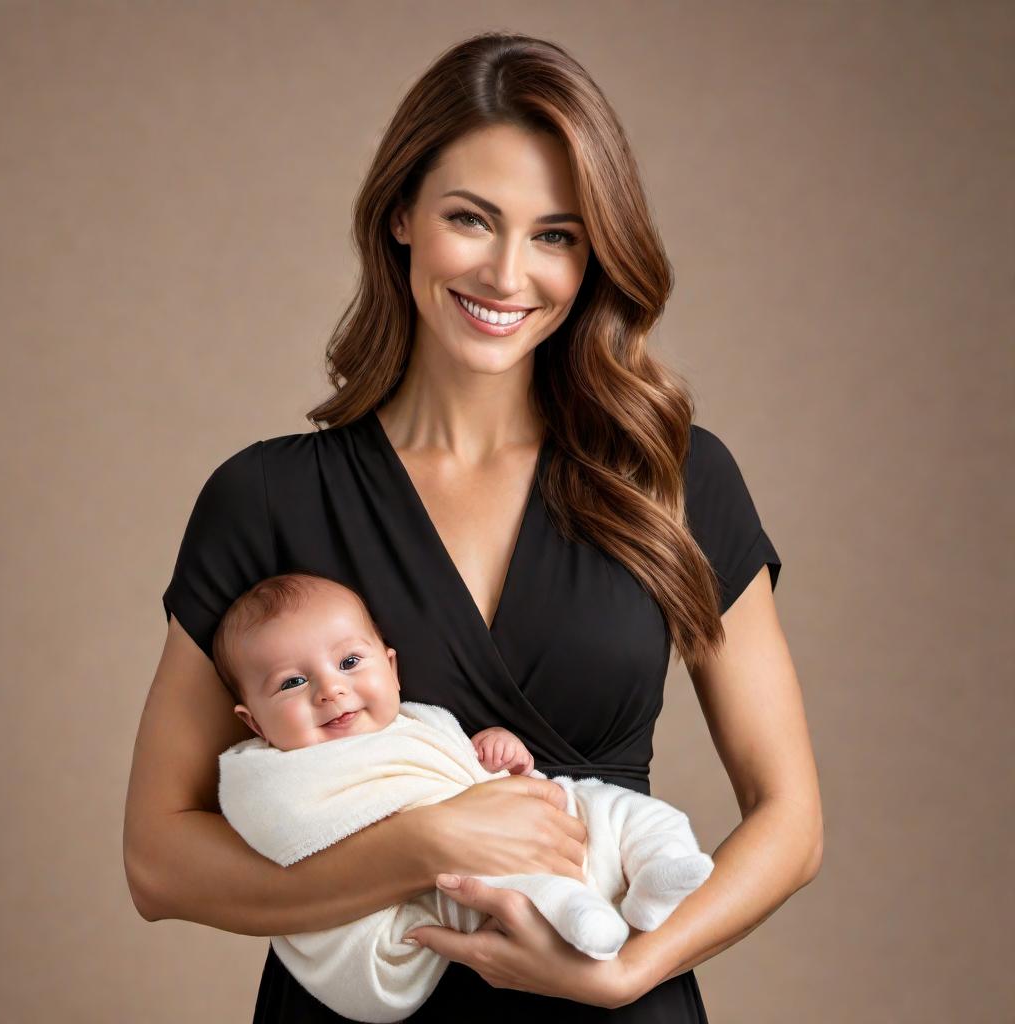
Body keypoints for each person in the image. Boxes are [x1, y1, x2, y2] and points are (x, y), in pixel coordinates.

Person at [123, 30, 823, 1023]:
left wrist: (631, 969)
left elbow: (791, 822)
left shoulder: (673, 477)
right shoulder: (264, 499)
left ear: (594, 255)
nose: (506, 273)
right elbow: (158, 861)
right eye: (471, 219)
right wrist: (424, 844)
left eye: (555, 235)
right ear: (401, 215)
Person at [212, 570, 715, 1021]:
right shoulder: (276, 777)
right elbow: (300, 831)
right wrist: (445, 831)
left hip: (545, 825)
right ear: (253, 721)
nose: (329, 689)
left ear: (390, 667)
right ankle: (585, 919)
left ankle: (658, 870)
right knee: (502, 879)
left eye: (348, 661)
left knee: (619, 807)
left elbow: (461, 770)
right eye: (293, 682)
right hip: (449, 882)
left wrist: (496, 753)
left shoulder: (416, 722)